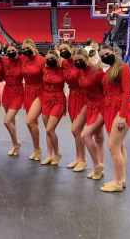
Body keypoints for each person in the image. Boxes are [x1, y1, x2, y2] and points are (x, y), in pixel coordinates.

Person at [99, 45, 130, 192]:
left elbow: (127, 92)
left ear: (114, 52)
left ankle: (118, 183)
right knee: (119, 146)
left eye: (107, 53)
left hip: (119, 110)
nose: (104, 57)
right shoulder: (110, 70)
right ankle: (121, 179)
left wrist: (122, 115)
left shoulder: (123, 67)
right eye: (102, 56)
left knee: (113, 147)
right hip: (110, 109)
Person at [73, 48, 106, 181]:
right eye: (75, 61)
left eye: (81, 60)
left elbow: (107, 88)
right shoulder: (81, 71)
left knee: (86, 135)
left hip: (101, 106)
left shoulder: (97, 72)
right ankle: (98, 170)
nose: (78, 62)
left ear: (87, 58)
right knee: (97, 137)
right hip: (89, 105)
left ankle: (97, 166)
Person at [59, 41, 88, 172]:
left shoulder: (81, 61)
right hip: (72, 96)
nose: (63, 51)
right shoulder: (64, 63)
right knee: (76, 131)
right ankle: (78, 157)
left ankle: (83, 160)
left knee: (77, 129)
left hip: (84, 96)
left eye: (65, 48)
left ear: (71, 48)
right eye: (61, 49)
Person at [40, 50, 66, 165]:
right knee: (48, 130)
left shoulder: (62, 70)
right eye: (47, 59)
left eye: (52, 58)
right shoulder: (44, 69)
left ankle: (57, 153)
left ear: (57, 58)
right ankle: (49, 155)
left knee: (50, 129)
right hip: (45, 99)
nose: (49, 60)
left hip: (58, 100)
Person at [22, 39, 46, 161]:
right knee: (33, 123)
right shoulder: (23, 59)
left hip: (40, 92)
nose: (26, 50)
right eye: (24, 49)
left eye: (28, 48)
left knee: (30, 121)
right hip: (28, 92)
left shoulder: (42, 60)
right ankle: (36, 149)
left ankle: (38, 149)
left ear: (33, 46)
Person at [2, 43, 23, 156]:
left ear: (17, 50)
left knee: (7, 121)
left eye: (13, 50)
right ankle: (15, 145)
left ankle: (16, 145)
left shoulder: (22, 60)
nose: (11, 52)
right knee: (12, 121)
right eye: (8, 51)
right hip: (7, 91)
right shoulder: (4, 61)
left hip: (18, 92)